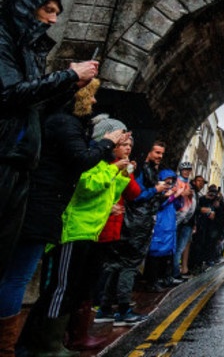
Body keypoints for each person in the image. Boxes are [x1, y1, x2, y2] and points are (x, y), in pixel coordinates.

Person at [0, 82, 123, 355]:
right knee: (30, 281)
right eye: (90, 95)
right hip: (66, 222)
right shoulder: (65, 125)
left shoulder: (57, 123)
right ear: (76, 95)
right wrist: (107, 145)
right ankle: (36, 344)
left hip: (74, 224)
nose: (93, 103)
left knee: (51, 283)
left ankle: (32, 343)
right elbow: (83, 169)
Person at [0, 0, 98, 287]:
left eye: (57, 12)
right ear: (25, 8)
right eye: (48, 10)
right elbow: (8, 94)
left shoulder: (28, 49)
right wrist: (68, 75)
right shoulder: (4, 42)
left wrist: (69, 86)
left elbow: (35, 108)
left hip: (17, 164)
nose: (53, 20)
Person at [22, 116, 132, 356]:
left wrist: (120, 174)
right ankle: (47, 345)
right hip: (73, 230)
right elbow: (86, 186)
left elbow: (109, 195)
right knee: (61, 288)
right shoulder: (92, 158)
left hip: (89, 232)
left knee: (73, 288)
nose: (126, 143)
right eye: (122, 138)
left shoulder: (105, 162)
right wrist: (114, 169)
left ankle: (61, 339)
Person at [105, 140, 167, 325]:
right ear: (148, 152)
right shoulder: (138, 169)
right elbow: (136, 194)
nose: (159, 156)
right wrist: (155, 190)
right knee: (129, 265)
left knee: (117, 264)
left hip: (136, 221)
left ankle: (106, 308)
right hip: (135, 222)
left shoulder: (146, 169)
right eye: (156, 152)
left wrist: (158, 194)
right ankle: (123, 310)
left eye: (162, 153)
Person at [94, 134, 141, 324]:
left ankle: (104, 309)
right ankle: (100, 307)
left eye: (130, 145)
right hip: (100, 222)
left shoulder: (122, 167)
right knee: (103, 268)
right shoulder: (103, 164)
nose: (128, 148)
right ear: (112, 146)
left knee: (111, 265)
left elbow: (133, 193)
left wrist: (126, 173)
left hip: (115, 223)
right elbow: (95, 188)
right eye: (123, 145)